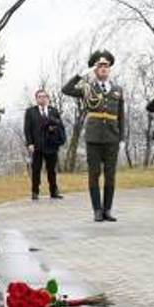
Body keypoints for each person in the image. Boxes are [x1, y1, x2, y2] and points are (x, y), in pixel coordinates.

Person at [62, 50, 125, 222]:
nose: (103, 68)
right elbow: (66, 89)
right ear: (95, 69)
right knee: (94, 174)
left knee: (110, 175)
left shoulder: (118, 89)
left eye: (106, 65)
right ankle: (97, 210)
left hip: (112, 137)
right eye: (100, 65)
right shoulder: (87, 88)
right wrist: (80, 75)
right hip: (94, 137)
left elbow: (121, 115)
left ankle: (107, 210)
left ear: (109, 68)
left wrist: (122, 138)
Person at [23, 89, 66, 200]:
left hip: (51, 145)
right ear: (36, 99)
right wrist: (30, 143)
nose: (43, 98)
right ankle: (35, 192)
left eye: (45, 96)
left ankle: (54, 191)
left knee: (52, 170)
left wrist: (54, 129)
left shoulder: (53, 111)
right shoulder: (30, 112)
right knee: (36, 170)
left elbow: (60, 126)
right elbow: (27, 129)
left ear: (48, 98)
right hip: (37, 146)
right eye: (40, 97)